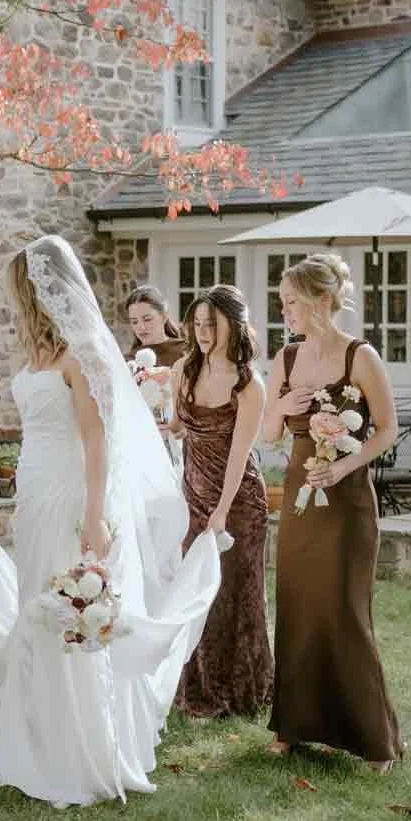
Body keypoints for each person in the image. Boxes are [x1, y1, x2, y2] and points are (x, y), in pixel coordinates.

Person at [0, 235, 225, 807]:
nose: (16, 302)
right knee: (35, 602)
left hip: (72, 495)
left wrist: (95, 515)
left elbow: (98, 437)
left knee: (71, 609)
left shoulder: (82, 351)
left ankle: (80, 744)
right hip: (36, 494)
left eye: (20, 291)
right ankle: (36, 732)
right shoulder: (36, 351)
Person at [260, 253, 403, 773]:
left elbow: (387, 429)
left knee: (344, 612)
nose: (285, 312)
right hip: (301, 500)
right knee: (297, 606)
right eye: (282, 303)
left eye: (292, 302)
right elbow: (269, 435)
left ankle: (372, 738)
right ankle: (291, 726)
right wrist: (282, 407)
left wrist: (344, 469)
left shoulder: (360, 357)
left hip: (347, 502)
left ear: (323, 301)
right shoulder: (287, 359)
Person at [161, 286, 273, 719]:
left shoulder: (249, 383)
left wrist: (221, 511)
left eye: (213, 324)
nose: (203, 331)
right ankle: (198, 689)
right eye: (198, 323)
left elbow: (240, 455)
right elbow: (177, 428)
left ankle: (240, 691)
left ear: (234, 325)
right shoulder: (182, 370)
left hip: (238, 501)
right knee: (196, 594)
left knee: (235, 595)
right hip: (192, 497)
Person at [124, 284, 186, 369]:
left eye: (147, 319)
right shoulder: (128, 361)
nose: (141, 327)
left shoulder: (185, 350)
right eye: (134, 322)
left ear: (164, 317)